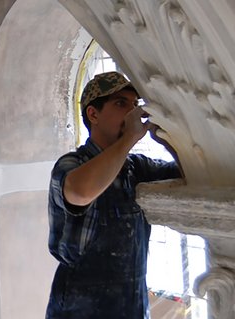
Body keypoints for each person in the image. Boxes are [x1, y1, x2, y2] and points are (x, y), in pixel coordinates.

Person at [45, 71, 182, 318]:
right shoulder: (72, 164)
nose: (132, 113)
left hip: (132, 306)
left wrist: (168, 137)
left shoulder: (136, 167)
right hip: (79, 309)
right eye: (121, 104)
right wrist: (130, 136)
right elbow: (80, 192)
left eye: (135, 106)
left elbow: (190, 175)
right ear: (93, 114)